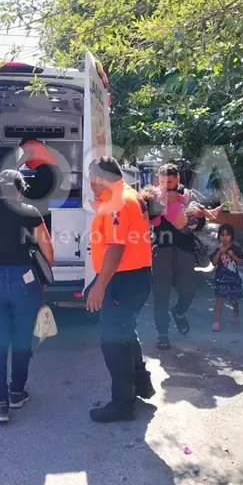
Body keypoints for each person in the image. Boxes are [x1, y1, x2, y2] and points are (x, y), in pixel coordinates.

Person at [0, 170, 55, 423]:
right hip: (23, 281)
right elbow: (48, 249)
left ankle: (0, 404)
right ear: (20, 190)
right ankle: (17, 392)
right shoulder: (30, 211)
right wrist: (43, 277)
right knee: (21, 339)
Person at [85, 156, 153, 423]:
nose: (90, 185)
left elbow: (116, 247)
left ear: (100, 178)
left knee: (114, 341)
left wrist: (99, 286)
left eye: (91, 179)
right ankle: (141, 384)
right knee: (125, 332)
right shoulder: (127, 195)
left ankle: (122, 404)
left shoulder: (118, 201)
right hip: (132, 277)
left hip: (122, 279)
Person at [149, 163, 220, 350]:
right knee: (161, 295)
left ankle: (179, 312)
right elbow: (149, 215)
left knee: (188, 291)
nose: (165, 185)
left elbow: (202, 222)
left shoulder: (189, 195)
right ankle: (162, 334)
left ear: (178, 179)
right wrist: (164, 201)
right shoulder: (154, 195)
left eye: (169, 182)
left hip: (185, 250)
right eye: (162, 182)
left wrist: (198, 217)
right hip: (161, 250)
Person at [210, 223, 243, 331]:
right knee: (219, 299)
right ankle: (216, 322)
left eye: (227, 235)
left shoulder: (236, 248)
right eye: (222, 235)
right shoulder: (217, 249)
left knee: (234, 299)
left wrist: (233, 255)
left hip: (233, 278)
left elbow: (241, 262)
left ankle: (235, 312)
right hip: (220, 278)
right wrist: (219, 253)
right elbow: (214, 263)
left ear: (231, 236)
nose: (225, 238)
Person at [15, 134, 59, 202]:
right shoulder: (40, 147)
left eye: (22, 148)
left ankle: (18, 199)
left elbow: (28, 153)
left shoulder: (29, 143)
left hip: (46, 173)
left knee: (22, 183)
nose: (23, 150)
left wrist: (15, 167)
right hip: (55, 175)